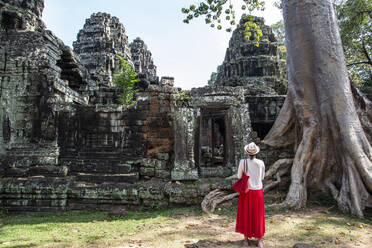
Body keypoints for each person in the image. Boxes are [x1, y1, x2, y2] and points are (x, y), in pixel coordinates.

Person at [235, 142, 265, 248]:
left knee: (246, 214)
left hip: (246, 192)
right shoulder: (261, 163)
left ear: (247, 153)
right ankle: (260, 241)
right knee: (259, 215)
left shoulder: (243, 162)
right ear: (256, 152)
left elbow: (239, 176)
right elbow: (262, 177)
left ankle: (246, 240)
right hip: (258, 192)